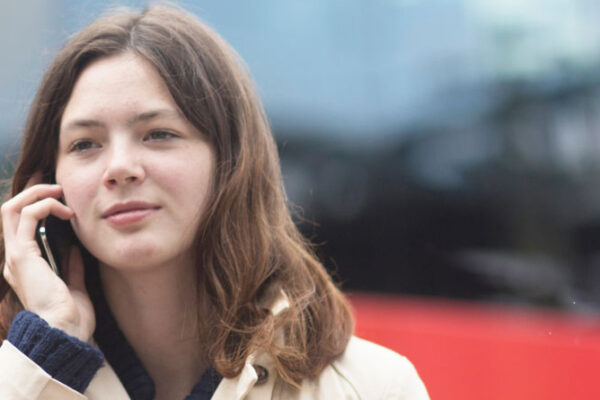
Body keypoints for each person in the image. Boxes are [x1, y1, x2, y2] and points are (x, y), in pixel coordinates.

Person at [0, 4, 429, 400]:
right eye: (85, 144)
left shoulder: (375, 387)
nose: (120, 167)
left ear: (231, 163)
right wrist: (48, 350)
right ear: (47, 184)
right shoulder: (21, 369)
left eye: (158, 134)